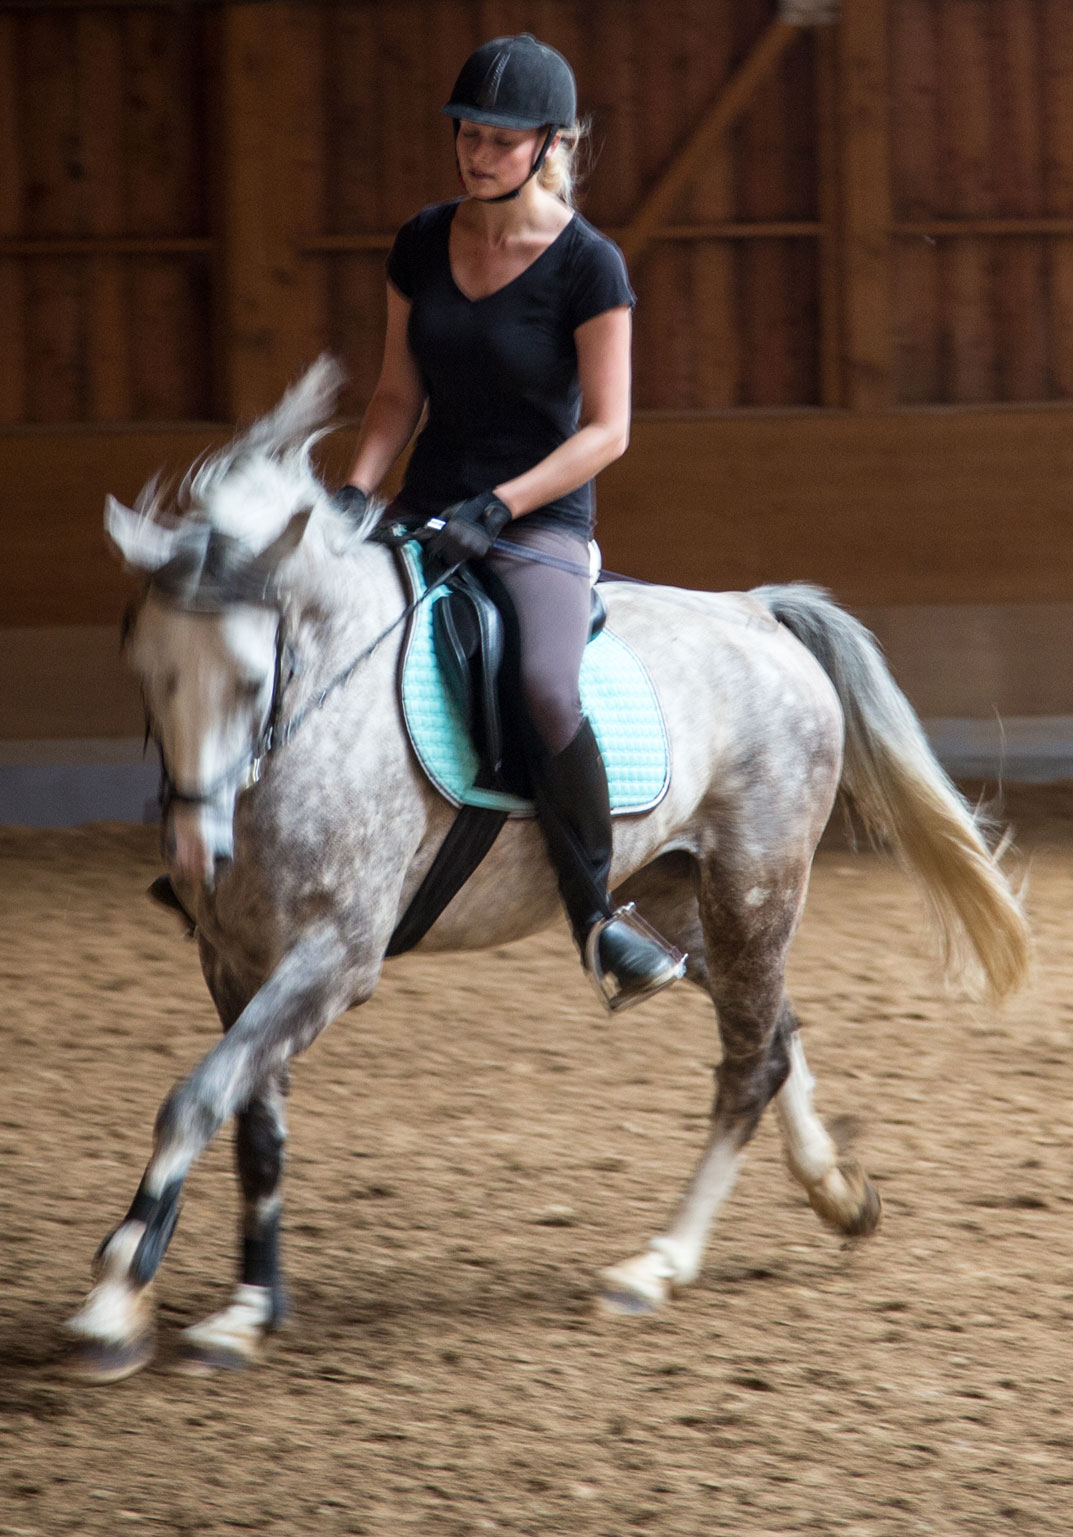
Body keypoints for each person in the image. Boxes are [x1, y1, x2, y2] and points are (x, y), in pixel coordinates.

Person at [339, 34, 682, 1005]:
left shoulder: (590, 267)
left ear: (549, 145)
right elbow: (396, 396)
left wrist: (501, 506)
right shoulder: (420, 242)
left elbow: (608, 430)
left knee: (542, 684)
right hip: (427, 506)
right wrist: (357, 493)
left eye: (499, 140)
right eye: (468, 135)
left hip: (538, 525)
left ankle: (599, 913)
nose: (476, 153)